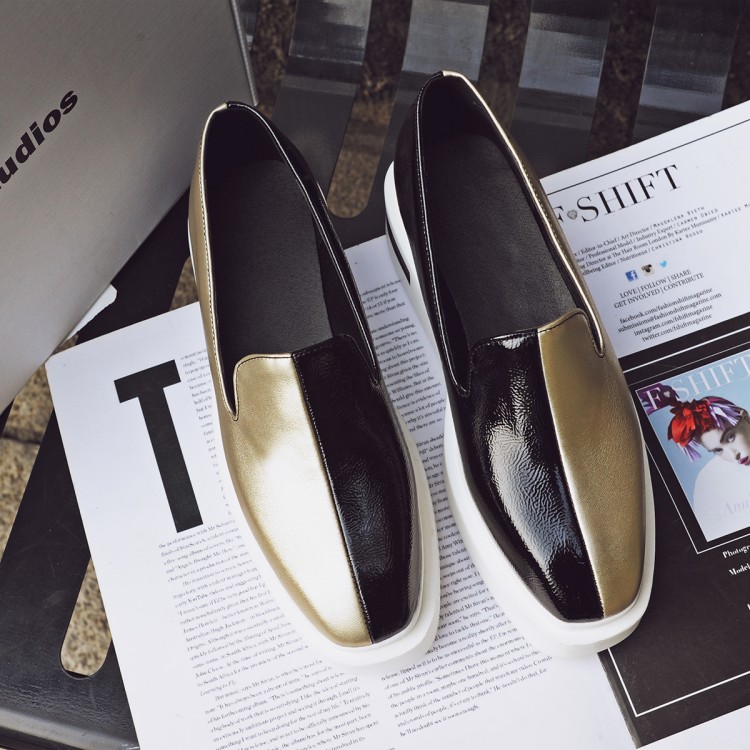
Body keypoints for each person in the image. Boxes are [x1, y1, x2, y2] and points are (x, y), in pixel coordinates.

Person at [642, 387, 750, 541]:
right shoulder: (709, 481)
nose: (734, 455)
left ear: (745, 417)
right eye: (718, 450)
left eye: (730, 437)